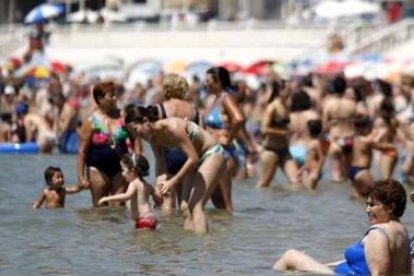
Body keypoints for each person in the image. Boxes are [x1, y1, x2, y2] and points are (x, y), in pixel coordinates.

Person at [274, 179, 411, 275]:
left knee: (290, 256)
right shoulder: (401, 231)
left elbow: (379, 273)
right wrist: (327, 265)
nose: (367, 210)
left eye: (372, 204)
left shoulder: (378, 233)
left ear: (391, 207)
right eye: (366, 204)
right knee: (295, 271)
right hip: (344, 271)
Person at [125, 105, 225, 233]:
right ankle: (191, 247)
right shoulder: (153, 138)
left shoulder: (173, 127)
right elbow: (162, 167)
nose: (136, 135)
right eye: (132, 133)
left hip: (211, 153)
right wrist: (157, 191)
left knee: (195, 206)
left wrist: (172, 182)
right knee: (184, 208)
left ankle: (204, 249)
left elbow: (193, 158)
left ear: (145, 121)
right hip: (195, 162)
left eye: (135, 129)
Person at [77, 81, 141, 207]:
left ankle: (116, 228)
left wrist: (137, 164)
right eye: (110, 96)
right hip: (97, 169)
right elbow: (82, 151)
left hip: (121, 168)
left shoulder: (123, 117)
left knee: (119, 206)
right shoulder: (90, 122)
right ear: (100, 99)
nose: (114, 98)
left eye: (114, 95)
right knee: (100, 208)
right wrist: (81, 177)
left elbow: (136, 139)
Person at [155, 73, 200, 215]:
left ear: (166, 88)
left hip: (166, 158)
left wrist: (161, 165)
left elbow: (154, 138)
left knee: (166, 206)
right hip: (188, 159)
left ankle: (169, 235)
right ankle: (185, 236)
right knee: (185, 207)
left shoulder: (160, 109)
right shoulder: (194, 110)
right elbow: (199, 137)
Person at [202, 66, 244, 212]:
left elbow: (238, 119)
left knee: (226, 203)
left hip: (225, 153)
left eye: (208, 81)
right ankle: (223, 233)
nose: (205, 84)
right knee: (218, 202)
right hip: (213, 153)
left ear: (218, 82)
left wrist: (228, 138)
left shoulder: (226, 98)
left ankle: (230, 231)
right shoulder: (213, 99)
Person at [98, 153, 162, 230]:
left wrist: (106, 198)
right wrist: (156, 205)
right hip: (151, 218)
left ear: (132, 170)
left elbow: (126, 196)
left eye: (123, 170)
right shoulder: (147, 185)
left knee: (140, 241)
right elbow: (159, 198)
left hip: (144, 221)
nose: (122, 173)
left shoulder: (134, 184)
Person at [256, 80, 300, 189]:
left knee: (296, 182)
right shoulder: (272, 107)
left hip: (285, 150)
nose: (290, 91)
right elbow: (264, 129)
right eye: (288, 89)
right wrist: (283, 132)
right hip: (271, 150)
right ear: (280, 90)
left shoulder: (286, 106)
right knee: (264, 184)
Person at [322, 75, 357, 182]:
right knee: (349, 175)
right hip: (349, 139)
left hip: (335, 139)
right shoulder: (352, 104)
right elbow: (355, 123)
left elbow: (324, 126)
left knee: (335, 175)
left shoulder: (328, 104)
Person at [297, 119, 324, 190]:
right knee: (307, 193)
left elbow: (321, 158)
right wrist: (301, 170)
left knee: (311, 192)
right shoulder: (310, 142)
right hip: (307, 170)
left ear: (309, 130)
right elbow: (308, 159)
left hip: (314, 171)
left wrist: (316, 172)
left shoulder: (316, 143)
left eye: (306, 129)